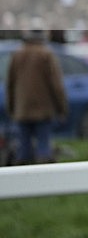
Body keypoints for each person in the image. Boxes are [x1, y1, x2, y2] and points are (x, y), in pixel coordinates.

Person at [5, 23, 68, 164]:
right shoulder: (46, 54)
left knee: (23, 148)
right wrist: (62, 109)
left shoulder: (17, 55)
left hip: (21, 109)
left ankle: (23, 179)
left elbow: (10, 84)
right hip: (43, 109)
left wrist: (11, 108)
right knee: (43, 146)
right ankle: (44, 177)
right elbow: (56, 85)